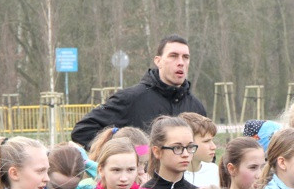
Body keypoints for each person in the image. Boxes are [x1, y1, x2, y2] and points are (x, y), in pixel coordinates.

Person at [71, 35, 206, 147]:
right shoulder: (131, 98)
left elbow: (206, 153)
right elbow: (83, 131)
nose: (181, 62)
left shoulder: (196, 107)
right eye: (173, 56)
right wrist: (126, 155)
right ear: (158, 61)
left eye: (185, 57)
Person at [179, 112, 220, 188]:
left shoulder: (214, 170)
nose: (213, 147)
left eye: (212, 140)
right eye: (206, 141)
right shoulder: (175, 176)